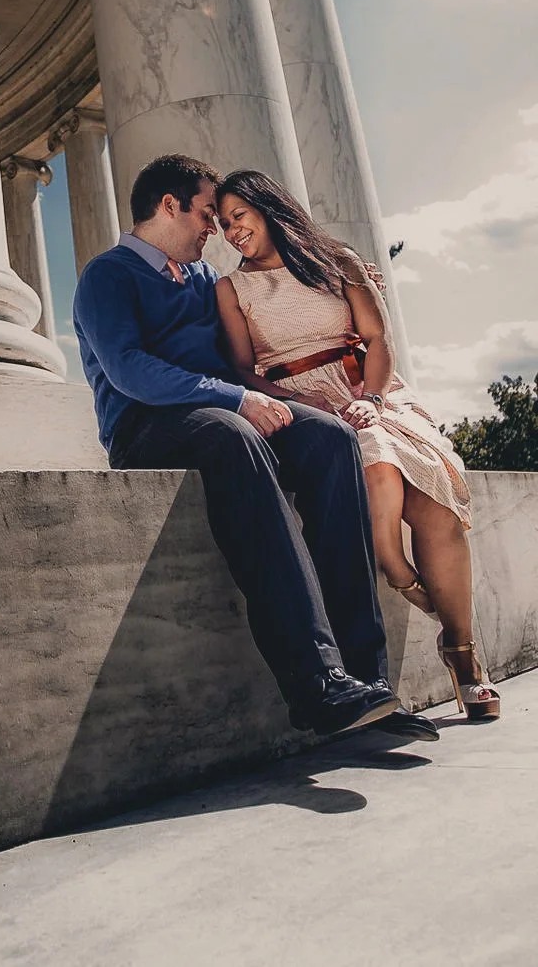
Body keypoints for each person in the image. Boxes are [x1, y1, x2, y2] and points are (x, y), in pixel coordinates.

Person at [73, 152, 435, 740]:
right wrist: (237, 399)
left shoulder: (202, 282)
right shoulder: (107, 276)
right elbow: (130, 371)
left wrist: (340, 285)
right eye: (207, 215)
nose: (215, 230)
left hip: (221, 415)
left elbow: (258, 332)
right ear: (170, 207)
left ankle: (366, 683)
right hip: (147, 427)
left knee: (330, 438)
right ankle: (315, 683)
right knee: (235, 434)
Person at [214, 169, 499, 724]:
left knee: (436, 504)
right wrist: (304, 405)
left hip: (367, 388)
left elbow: (377, 338)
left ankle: (463, 656)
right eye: (223, 224)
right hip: (301, 401)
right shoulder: (231, 288)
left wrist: (371, 396)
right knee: (375, 465)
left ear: (267, 208)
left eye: (238, 218)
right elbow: (242, 370)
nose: (231, 232)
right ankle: (394, 564)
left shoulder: (337, 262)